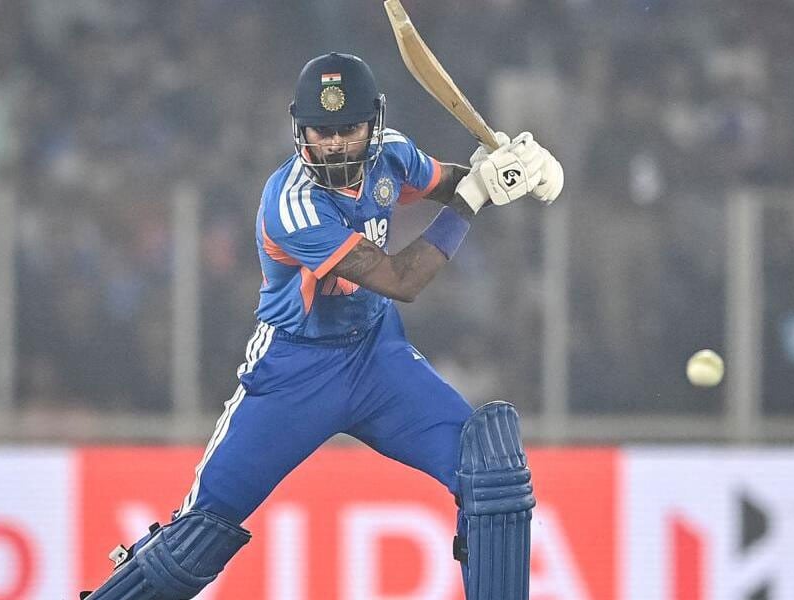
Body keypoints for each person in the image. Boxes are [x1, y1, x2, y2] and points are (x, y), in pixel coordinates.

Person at [81, 52, 564, 600]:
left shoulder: (393, 153)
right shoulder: (294, 204)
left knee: (492, 475)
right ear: (300, 130)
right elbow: (402, 278)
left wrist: (506, 167)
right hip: (295, 370)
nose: (335, 144)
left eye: (349, 129)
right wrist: (479, 192)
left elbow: (454, 183)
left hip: (377, 357)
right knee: (195, 537)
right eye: (322, 131)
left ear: (373, 124)